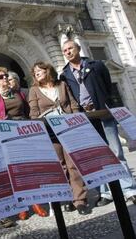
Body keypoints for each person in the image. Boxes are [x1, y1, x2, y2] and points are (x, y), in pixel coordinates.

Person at [60, 40, 136, 206]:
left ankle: (130, 191)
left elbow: (107, 86)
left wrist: (103, 102)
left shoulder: (97, 65)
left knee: (116, 153)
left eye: (70, 48)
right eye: (65, 50)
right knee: (95, 156)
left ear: (78, 48)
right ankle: (105, 193)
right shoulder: (64, 74)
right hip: (84, 120)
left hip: (103, 114)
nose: (68, 52)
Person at [28, 61, 91, 215]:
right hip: (49, 132)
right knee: (60, 166)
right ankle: (69, 198)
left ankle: (80, 200)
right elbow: (33, 113)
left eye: (39, 70)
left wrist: (76, 120)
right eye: (34, 71)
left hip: (67, 128)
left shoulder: (61, 85)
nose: (36, 72)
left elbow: (73, 104)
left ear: (47, 70)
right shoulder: (34, 90)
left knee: (73, 165)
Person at [0, 66, 47, 220]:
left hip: (23, 131)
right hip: (6, 134)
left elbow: (28, 111)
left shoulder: (19, 93)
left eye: (6, 75)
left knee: (28, 169)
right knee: (14, 171)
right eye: (1, 77)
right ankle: (22, 205)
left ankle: (35, 202)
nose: (5, 78)